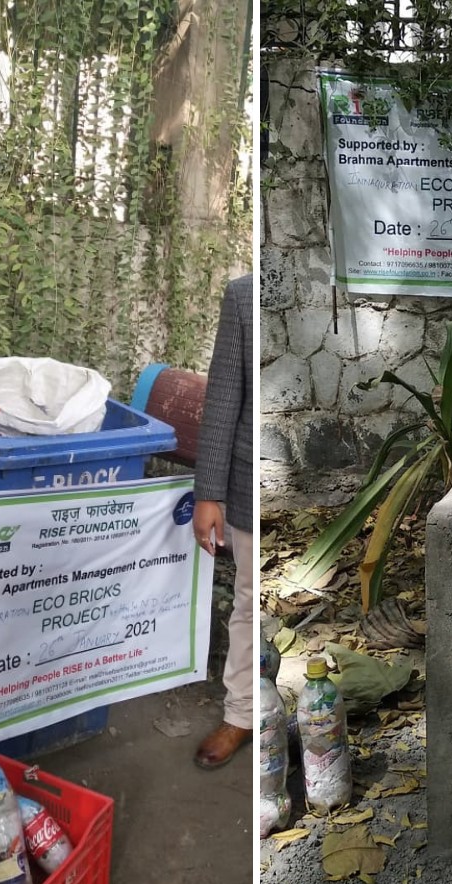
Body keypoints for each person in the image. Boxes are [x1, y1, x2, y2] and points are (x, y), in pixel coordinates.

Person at [192, 274, 254, 769]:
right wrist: (208, 492)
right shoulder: (242, 295)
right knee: (249, 602)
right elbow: (222, 398)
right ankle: (241, 714)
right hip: (246, 478)